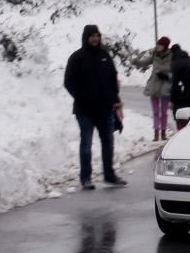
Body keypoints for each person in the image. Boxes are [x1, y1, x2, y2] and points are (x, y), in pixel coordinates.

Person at [64, 25, 128, 191]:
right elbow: (68, 82)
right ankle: (86, 178)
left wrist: (114, 99)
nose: (95, 38)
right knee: (86, 143)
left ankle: (109, 175)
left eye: (97, 35)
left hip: (105, 109)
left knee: (108, 142)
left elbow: (113, 78)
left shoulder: (104, 56)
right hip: (84, 111)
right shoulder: (77, 57)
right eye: (91, 36)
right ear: (86, 37)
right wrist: (81, 97)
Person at [137, 36, 174, 141]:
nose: (157, 46)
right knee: (155, 112)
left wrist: (167, 76)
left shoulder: (171, 57)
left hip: (165, 88)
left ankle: (163, 133)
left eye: (160, 45)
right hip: (154, 86)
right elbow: (144, 62)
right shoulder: (154, 55)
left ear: (165, 46)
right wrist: (135, 61)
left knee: (164, 112)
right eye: (157, 44)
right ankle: (156, 134)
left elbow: (175, 73)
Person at [169, 44, 190, 130]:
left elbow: (174, 82)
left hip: (179, 96)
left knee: (180, 119)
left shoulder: (175, 63)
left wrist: (172, 98)